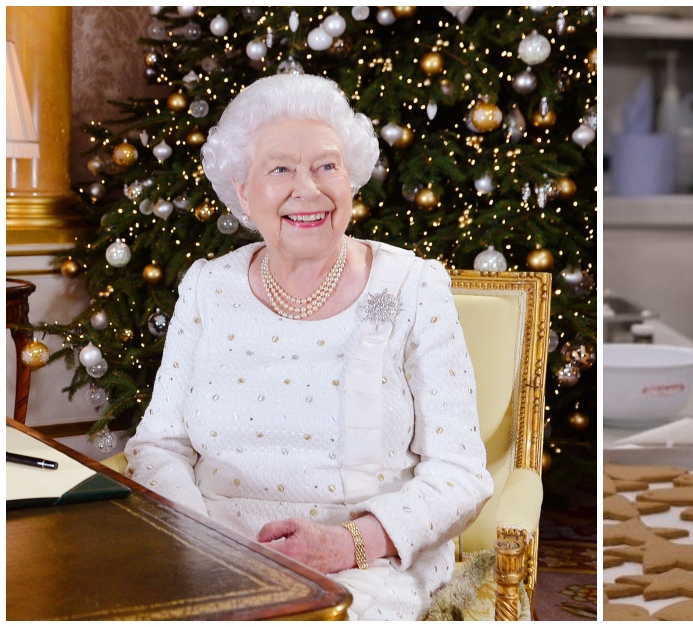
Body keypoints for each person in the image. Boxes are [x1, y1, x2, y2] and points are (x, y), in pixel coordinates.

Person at [123, 74, 493, 621]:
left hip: (365, 564)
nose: (309, 190)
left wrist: (349, 543)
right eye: (280, 169)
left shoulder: (411, 288)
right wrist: (196, 538)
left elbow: (460, 473)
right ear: (244, 192)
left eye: (327, 166)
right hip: (209, 548)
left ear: (352, 181)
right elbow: (160, 445)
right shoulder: (207, 287)